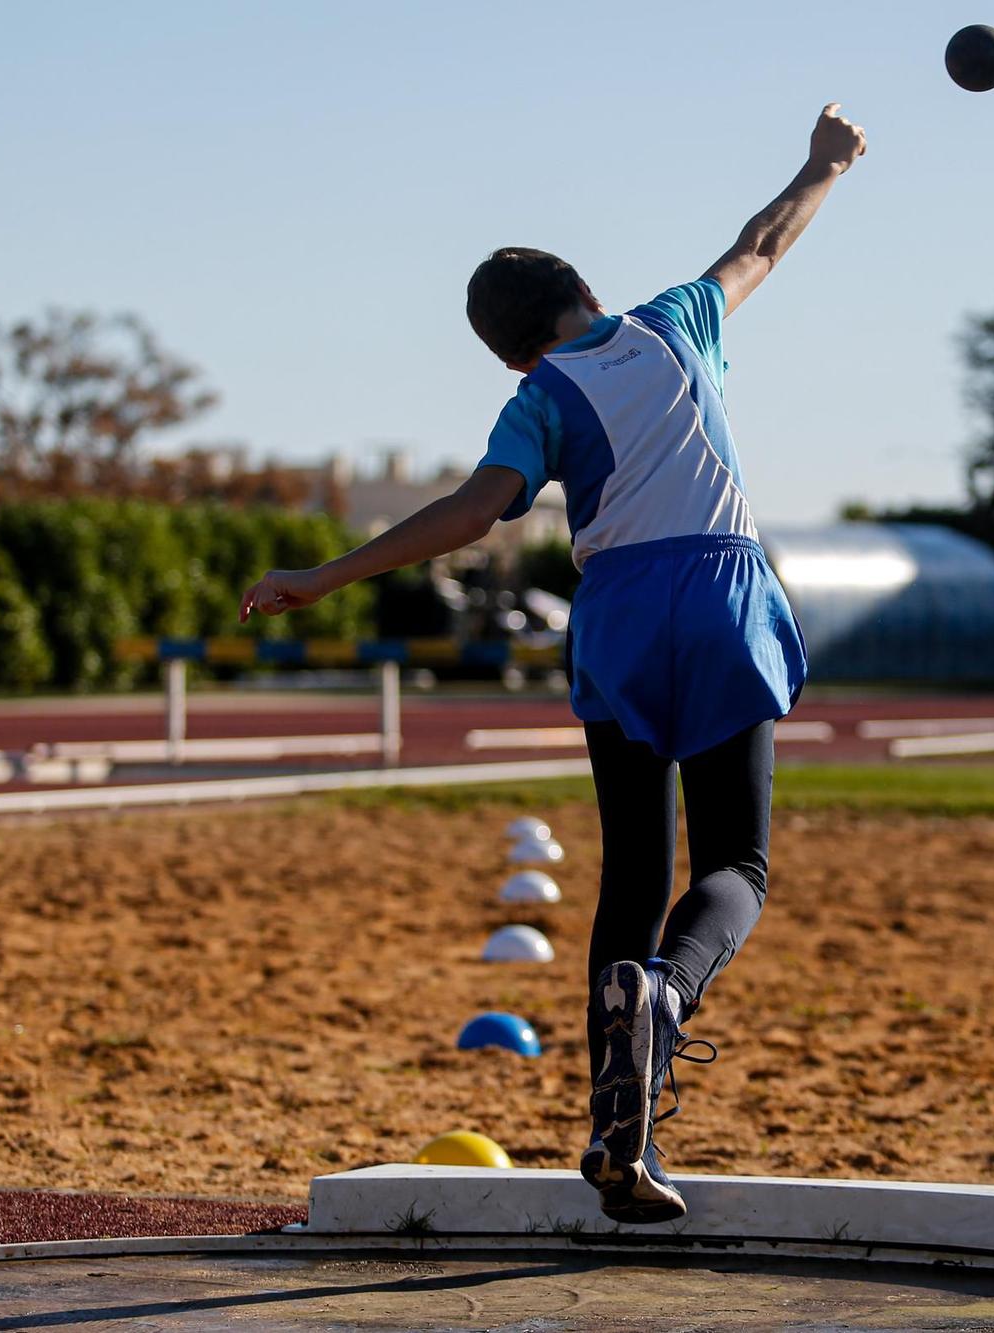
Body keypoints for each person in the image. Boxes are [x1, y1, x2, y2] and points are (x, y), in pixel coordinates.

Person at [241, 103, 867, 1223]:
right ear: (585, 289)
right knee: (735, 864)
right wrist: (820, 163)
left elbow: (475, 511)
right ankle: (668, 995)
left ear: (511, 348)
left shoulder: (537, 397)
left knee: (630, 872)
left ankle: (613, 1135)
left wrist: (325, 576)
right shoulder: (674, 323)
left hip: (620, 607)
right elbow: (763, 242)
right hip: (722, 593)